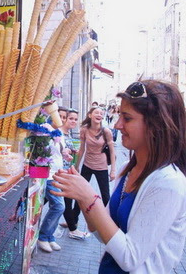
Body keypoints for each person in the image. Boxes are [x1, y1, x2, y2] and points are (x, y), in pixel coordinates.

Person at [53, 80, 186, 273]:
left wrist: (89, 197)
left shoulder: (169, 183)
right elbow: (102, 234)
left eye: (127, 118)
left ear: (156, 125)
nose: (118, 125)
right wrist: (82, 198)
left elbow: (130, 258)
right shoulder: (127, 170)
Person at [72, 106, 116, 225]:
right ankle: (73, 221)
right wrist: (77, 166)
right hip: (87, 164)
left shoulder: (106, 131)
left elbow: (112, 151)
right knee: (79, 192)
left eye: (101, 113)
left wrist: (113, 171)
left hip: (101, 166)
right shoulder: (84, 130)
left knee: (105, 196)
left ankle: (111, 223)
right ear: (90, 115)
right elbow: (82, 149)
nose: (99, 115)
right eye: (96, 113)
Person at [37, 107, 71, 253]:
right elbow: (41, 149)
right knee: (59, 206)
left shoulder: (60, 133)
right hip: (48, 174)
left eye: (64, 117)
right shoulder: (46, 129)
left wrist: (66, 153)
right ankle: (43, 237)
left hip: (58, 173)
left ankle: (49, 237)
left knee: (47, 206)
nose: (62, 119)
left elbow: (58, 152)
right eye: (60, 116)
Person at [59, 108, 90, 240]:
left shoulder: (68, 134)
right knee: (64, 202)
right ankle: (73, 229)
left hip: (67, 172)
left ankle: (72, 227)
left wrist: (71, 151)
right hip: (60, 172)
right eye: (70, 118)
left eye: (76, 119)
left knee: (60, 201)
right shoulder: (59, 133)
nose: (73, 121)